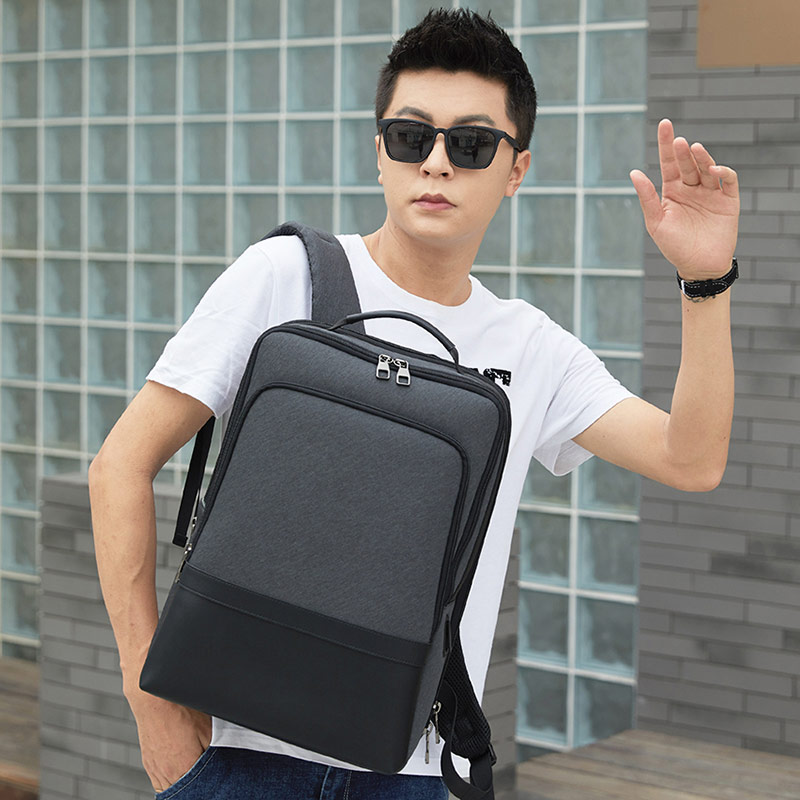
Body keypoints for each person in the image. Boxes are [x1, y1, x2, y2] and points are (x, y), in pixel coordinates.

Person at [88, 8, 740, 800]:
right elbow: (119, 468)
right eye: (410, 136)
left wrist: (706, 281)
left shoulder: (531, 347)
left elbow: (691, 459)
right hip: (241, 758)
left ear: (516, 170)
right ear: (380, 154)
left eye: (470, 144)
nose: (435, 162)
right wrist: (150, 700)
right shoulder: (282, 277)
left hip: (410, 772)